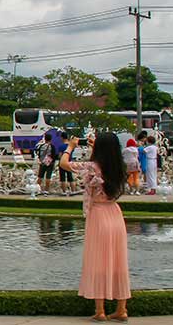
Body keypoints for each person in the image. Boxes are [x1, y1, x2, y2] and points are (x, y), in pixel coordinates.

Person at [59, 132, 130, 321]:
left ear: (99, 149)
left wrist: (70, 147)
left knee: (98, 261)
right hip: (115, 214)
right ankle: (121, 308)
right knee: (118, 261)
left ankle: (100, 311)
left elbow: (63, 164)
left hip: (99, 215)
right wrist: (95, 147)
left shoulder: (91, 167)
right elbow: (103, 162)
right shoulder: (119, 167)